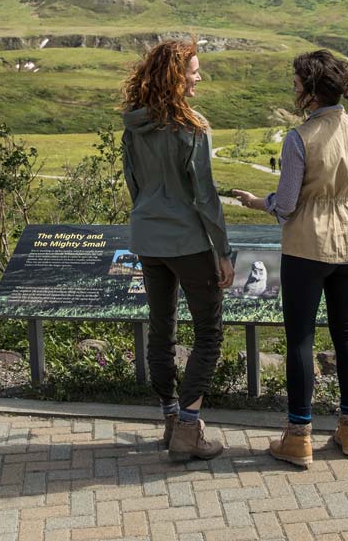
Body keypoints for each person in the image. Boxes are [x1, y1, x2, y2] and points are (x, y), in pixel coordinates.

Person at [233, 49, 348, 468]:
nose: (294, 87)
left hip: (307, 245)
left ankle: (299, 437)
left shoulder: (299, 137)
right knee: (347, 334)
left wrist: (255, 202)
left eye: (298, 82)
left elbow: (285, 204)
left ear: (312, 90)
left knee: (301, 338)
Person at [121, 39, 235, 462]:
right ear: (175, 76)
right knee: (208, 333)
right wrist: (222, 251)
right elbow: (205, 197)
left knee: (161, 329)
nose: (198, 77)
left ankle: (170, 420)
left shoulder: (133, 125)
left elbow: (133, 185)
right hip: (187, 242)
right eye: (193, 71)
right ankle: (189, 429)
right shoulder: (192, 127)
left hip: (147, 238)